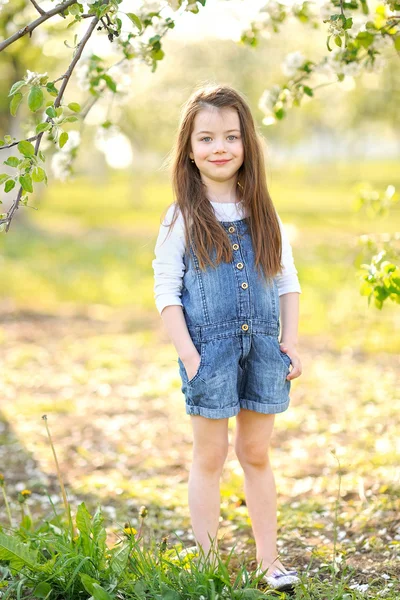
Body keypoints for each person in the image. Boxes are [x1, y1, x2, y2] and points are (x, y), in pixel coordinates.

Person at [152, 84, 302, 592]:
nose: (221, 147)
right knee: (209, 457)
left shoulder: (264, 213)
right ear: (189, 150)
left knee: (256, 453)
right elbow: (165, 291)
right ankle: (210, 561)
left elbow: (287, 281)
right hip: (208, 356)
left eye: (232, 137)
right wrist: (188, 355)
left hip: (262, 350)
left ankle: (268, 561)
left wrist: (292, 341)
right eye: (207, 138)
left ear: (247, 144)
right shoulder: (181, 218)